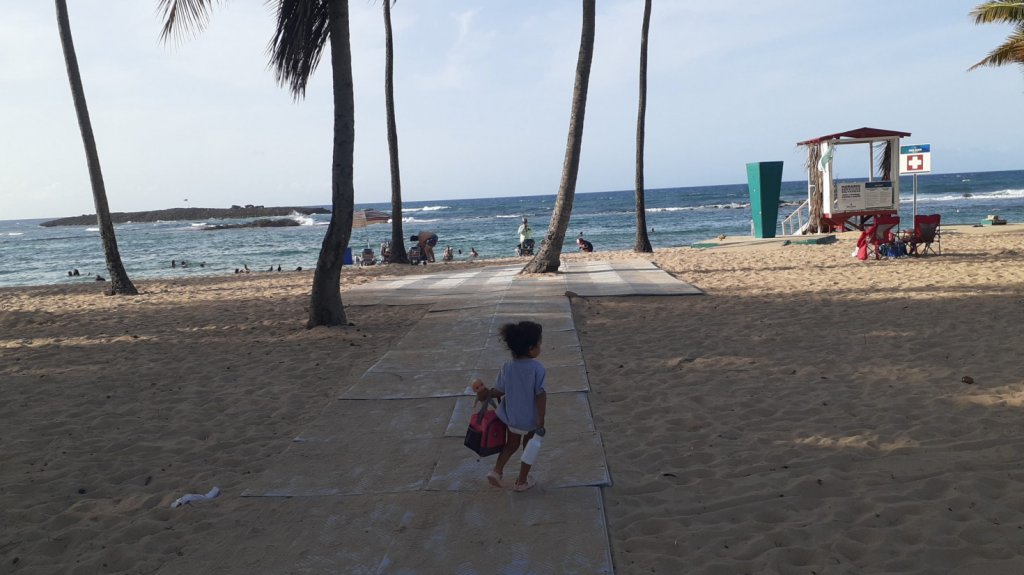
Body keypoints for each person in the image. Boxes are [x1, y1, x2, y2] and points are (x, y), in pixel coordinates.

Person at [473, 320, 547, 492]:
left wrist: (486, 393)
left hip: (512, 418)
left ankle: (496, 471)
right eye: (539, 343)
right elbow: (540, 394)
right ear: (531, 348)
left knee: (510, 446)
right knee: (529, 449)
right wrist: (541, 417)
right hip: (530, 419)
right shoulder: (538, 369)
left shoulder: (507, 367)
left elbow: (499, 391)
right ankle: (521, 481)